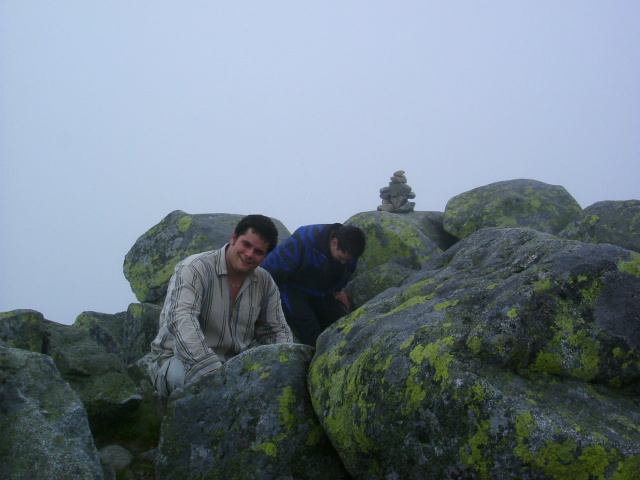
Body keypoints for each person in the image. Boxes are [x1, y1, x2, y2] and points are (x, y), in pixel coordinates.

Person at [148, 214, 293, 397]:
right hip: (180, 360)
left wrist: (286, 365)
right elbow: (181, 319)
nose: (249, 254)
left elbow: (277, 331)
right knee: (208, 394)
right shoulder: (194, 268)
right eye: (246, 244)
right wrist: (213, 372)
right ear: (233, 238)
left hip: (235, 365)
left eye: (258, 252)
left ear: (265, 256)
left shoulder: (265, 283)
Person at [262, 223, 366, 346]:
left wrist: (338, 288)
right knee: (310, 330)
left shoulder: (351, 247)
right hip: (292, 288)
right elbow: (270, 268)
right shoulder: (304, 240)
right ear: (334, 242)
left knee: (344, 324)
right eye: (341, 258)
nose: (343, 263)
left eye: (347, 260)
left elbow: (348, 269)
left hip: (321, 291)